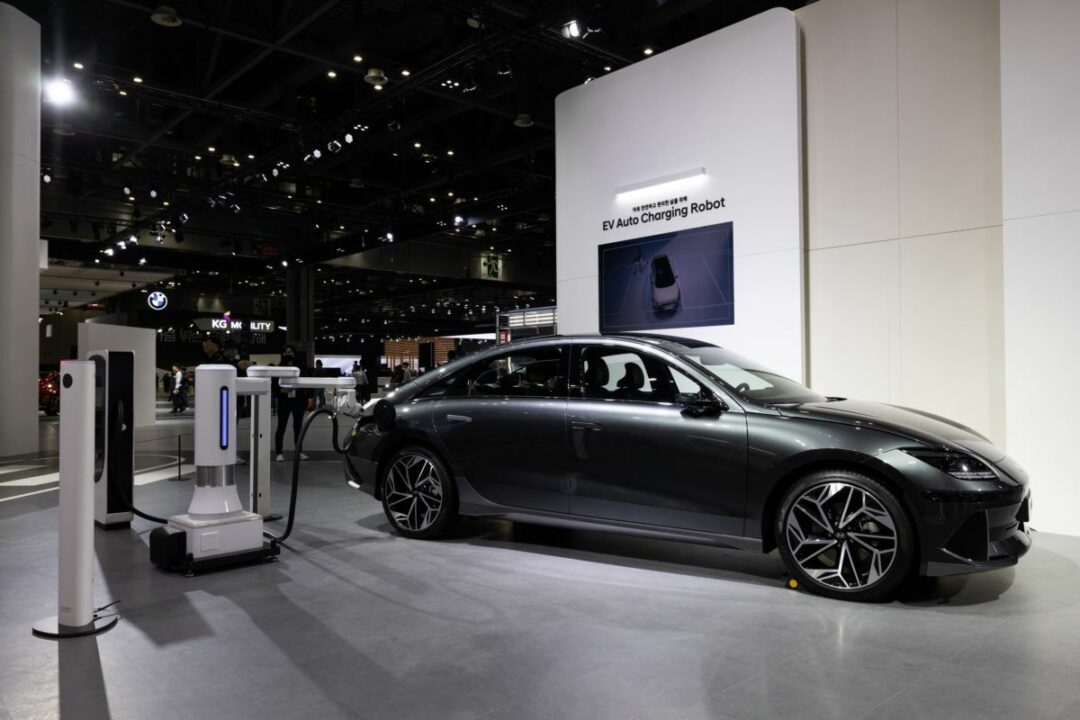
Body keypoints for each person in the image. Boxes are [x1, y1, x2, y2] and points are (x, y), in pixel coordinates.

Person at [274, 344, 308, 462]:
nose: (288, 354)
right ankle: (279, 453)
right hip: (284, 401)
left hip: (298, 400)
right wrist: (280, 390)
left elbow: (306, 382)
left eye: (290, 352)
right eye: (286, 352)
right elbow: (274, 385)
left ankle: (299, 451)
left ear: (294, 353)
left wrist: (308, 398)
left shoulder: (301, 367)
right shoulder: (278, 368)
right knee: (281, 427)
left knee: (298, 427)